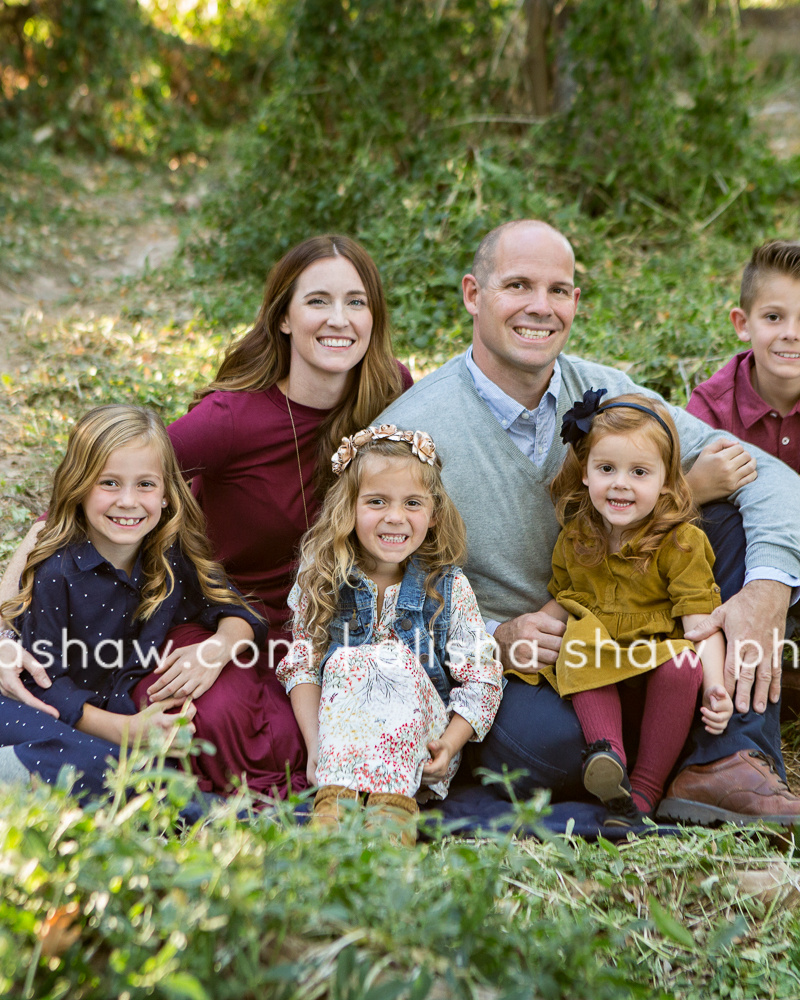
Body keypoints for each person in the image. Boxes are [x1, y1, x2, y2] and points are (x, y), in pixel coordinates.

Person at [378, 219, 800, 828]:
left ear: (576, 302)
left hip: (649, 631)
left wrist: (765, 593)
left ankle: (725, 758)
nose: (539, 308)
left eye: (558, 290)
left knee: (730, 515)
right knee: (554, 746)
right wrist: (494, 633)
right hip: (534, 666)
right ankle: (646, 752)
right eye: (518, 285)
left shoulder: (608, 393)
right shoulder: (418, 430)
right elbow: (381, 582)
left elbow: (774, 478)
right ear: (474, 295)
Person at [0, 234, 412, 800]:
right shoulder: (232, 418)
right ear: (284, 318)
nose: (338, 319)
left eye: (356, 302)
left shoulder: (392, 393)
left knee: (376, 709)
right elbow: (90, 495)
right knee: (209, 724)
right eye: (318, 300)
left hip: (333, 619)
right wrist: (3, 621)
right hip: (218, 615)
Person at [0, 405, 266, 799]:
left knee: (148, 766)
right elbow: (44, 685)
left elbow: (237, 610)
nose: (128, 501)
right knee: (95, 761)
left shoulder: (171, 555)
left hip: (117, 714)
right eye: (109, 483)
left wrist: (218, 647)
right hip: (41, 710)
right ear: (79, 487)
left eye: (145, 484)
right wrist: (128, 732)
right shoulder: (57, 571)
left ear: (165, 495)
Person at [276, 427, 503, 844]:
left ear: (433, 514)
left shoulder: (448, 586)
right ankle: (332, 824)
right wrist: (316, 747)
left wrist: (449, 746)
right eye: (377, 501)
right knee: (345, 662)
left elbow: (483, 680)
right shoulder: (323, 578)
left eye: (412, 503)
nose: (395, 517)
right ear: (349, 508)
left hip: (419, 748)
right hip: (340, 751)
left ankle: (389, 829)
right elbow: (303, 664)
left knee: (389, 659)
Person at [540, 391, 732, 826]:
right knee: (579, 643)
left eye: (640, 472)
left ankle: (646, 789)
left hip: (654, 668)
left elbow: (700, 620)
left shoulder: (681, 541)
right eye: (606, 469)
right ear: (586, 474)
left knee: (681, 663)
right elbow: (565, 600)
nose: (620, 483)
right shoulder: (577, 538)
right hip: (601, 665)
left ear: (667, 480)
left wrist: (715, 685)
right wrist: (521, 633)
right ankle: (609, 763)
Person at [688, 239, 800, 474]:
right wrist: (697, 487)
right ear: (743, 324)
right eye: (773, 317)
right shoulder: (712, 410)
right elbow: (669, 492)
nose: (791, 334)